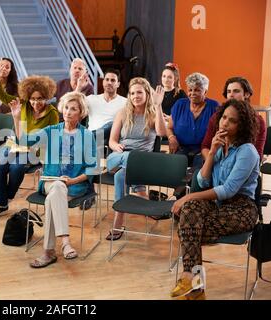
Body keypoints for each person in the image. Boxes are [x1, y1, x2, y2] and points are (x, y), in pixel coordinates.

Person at [170, 99, 260, 300]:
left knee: (189, 223)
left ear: (242, 126)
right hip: (218, 206)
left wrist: (188, 197)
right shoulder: (220, 147)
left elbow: (228, 190)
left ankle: (194, 285)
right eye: (224, 118)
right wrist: (211, 152)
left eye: (232, 121)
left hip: (241, 209)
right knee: (191, 213)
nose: (225, 123)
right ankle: (194, 285)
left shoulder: (247, 151)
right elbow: (202, 181)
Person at [11, 91, 97, 268]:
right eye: (66, 107)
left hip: (74, 186)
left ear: (81, 113)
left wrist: (72, 181)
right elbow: (24, 142)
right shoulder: (50, 131)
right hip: (50, 180)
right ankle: (65, 242)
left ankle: (48, 252)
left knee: (54, 197)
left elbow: (92, 168)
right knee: (57, 186)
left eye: (73, 109)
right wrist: (17, 117)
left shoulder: (87, 135)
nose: (68, 112)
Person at [0, 66, 59, 219]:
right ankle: (2, 203)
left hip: (35, 150)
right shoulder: (24, 104)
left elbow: (53, 138)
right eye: (33, 98)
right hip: (17, 144)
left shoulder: (52, 114)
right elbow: (5, 98)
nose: (36, 102)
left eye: (40, 98)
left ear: (46, 97)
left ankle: (3, 199)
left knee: (16, 167)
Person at [105, 78, 166, 240]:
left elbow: (161, 133)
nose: (135, 96)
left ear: (147, 93)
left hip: (141, 161)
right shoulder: (123, 113)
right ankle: (144, 197)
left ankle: (118, 221)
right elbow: (112, 140)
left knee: (121, 176)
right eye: (132, 93)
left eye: (139, 92)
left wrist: (158, 105)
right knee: (126, 160)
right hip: (117, 158)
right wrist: (116, 146)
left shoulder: (153, 114)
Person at [201, 76, 266, 160]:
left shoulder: (258, 121)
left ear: (246, 94)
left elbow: (258, 155)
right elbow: (205, 146)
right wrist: (211, 163)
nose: (231, 95)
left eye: (236, 91)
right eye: (228, 92)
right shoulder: (217, 116)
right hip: (216, 162)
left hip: (244, 164)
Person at [166, 72, 219, 167]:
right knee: (175, 168)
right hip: (181, 149)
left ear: (205, 92)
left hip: (204, 150)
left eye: (197, 90)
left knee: (198, 171)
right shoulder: (179, 104)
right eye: (190, 90)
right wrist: (171, 138)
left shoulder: (214, 107)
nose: (192, 93)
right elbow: (169, 127)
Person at [86, 68, 126, 146]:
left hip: (112, 138)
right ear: (103, 82)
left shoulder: (126, 102)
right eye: (107, 79)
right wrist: (79, 88)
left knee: (112, 124)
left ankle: (87, 138)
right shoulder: (91, 99)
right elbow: (72, 104)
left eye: (113, 80)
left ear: (118, 84)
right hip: (95, 138)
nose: (109, 82)